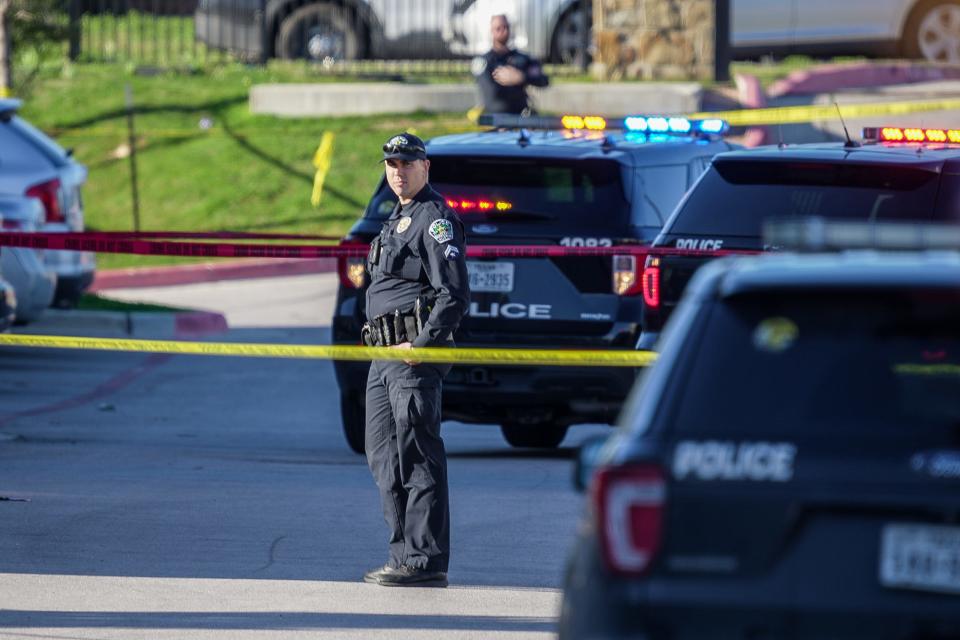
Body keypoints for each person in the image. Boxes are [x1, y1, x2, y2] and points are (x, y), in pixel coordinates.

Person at [361, 133, 470, 588]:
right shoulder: (397, 217)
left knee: (416, 456)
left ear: (425, 167)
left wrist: (422, 345)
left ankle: (425, 560)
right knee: (383, 456)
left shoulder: (435, 220)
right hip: (383, 357)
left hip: (412, 360)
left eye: (406, 163)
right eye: (390, 163)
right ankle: (402, 555)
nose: (397, 171)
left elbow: (454, 294)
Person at [472, 14, 550, 115]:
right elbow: (492, 93)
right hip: (498, 119)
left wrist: (521, 78)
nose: (503, 31)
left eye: (506, 27)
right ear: (491, 31)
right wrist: (516, 82)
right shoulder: (484, 61)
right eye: (498, 28)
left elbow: (543, 80)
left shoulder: (522, 58)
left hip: (522, 116)